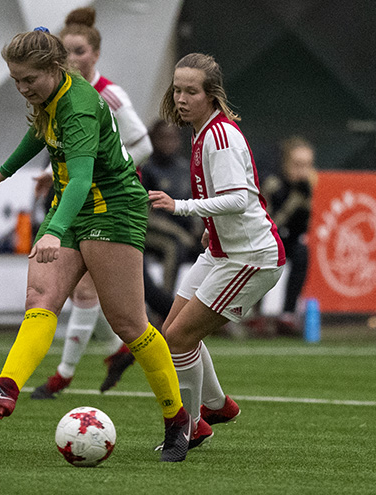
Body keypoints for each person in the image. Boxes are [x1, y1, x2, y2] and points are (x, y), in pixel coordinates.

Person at [0, 28, 193, 463]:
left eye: (29, 80)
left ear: (54, 68)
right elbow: (41, 134)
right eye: (16, 80)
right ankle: (6, 387)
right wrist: (3, 172)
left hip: (111, 210)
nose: (23, 89)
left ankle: (179, 421)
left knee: (129, 324)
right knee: (41, 297)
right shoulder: (51, 97)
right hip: (74, 205)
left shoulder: (78, 108)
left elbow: (81, 179)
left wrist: (53, 230)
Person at [148, 53, 286, 449]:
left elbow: (239, 198)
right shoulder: (202, 131)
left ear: (211, 95)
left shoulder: (219, 137)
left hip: (250, 258)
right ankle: (215, 406)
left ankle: (187, 429)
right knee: (172, 335)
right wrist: (212, 230)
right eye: (177, 90)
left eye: (191, 91)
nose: (182, 98)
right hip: (223, 251)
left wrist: (183, 207)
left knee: (178, 339)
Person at [29, 8, 159, 401]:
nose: (73, 59)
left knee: (87, 294)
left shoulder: (109, 94)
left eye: (80, 51)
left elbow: (143, 144)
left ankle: (62, 376)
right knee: (88, 295)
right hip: (81, 197)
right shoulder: (62, 96)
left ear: (96, 54)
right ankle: (116, 352)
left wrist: (108, 171)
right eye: (66, 51)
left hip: (111, 202)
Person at [260, 136, 316, 334]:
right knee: (265, 254)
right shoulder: (272, 184)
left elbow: (303, 228)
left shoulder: (305, 187)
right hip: (264, 238)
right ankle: (254, 313)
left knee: (302, 251)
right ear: (285, 163)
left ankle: (288, 314)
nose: (303, 171)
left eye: (307, 165)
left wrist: (305, 203)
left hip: (288, 239)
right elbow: (269, 223)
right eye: (297, 165)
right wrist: (294, 201)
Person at [140, 121, 202, 291]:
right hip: (149, 232)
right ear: (152, 139)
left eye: (172, 138)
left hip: (186, 233)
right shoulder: (146, 169)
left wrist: (198, 228)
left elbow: (196, 203)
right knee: (174, 247)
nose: (168, 143)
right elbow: (145, 214)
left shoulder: (184, 169)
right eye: (163, 138)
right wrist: (180, 233)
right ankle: (165, 306)